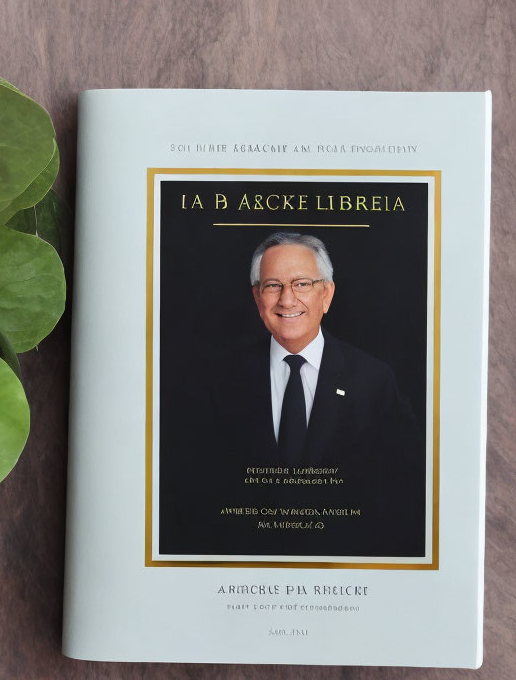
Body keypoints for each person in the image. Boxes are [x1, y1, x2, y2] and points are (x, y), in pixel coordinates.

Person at [158, 232, 426, 558]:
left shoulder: (373, 382)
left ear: (326, 295)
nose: (286, 299)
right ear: (258, 298)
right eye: (273, 285)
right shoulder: (216, 381)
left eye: (301, 284)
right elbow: (192, 493)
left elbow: (401, 494)